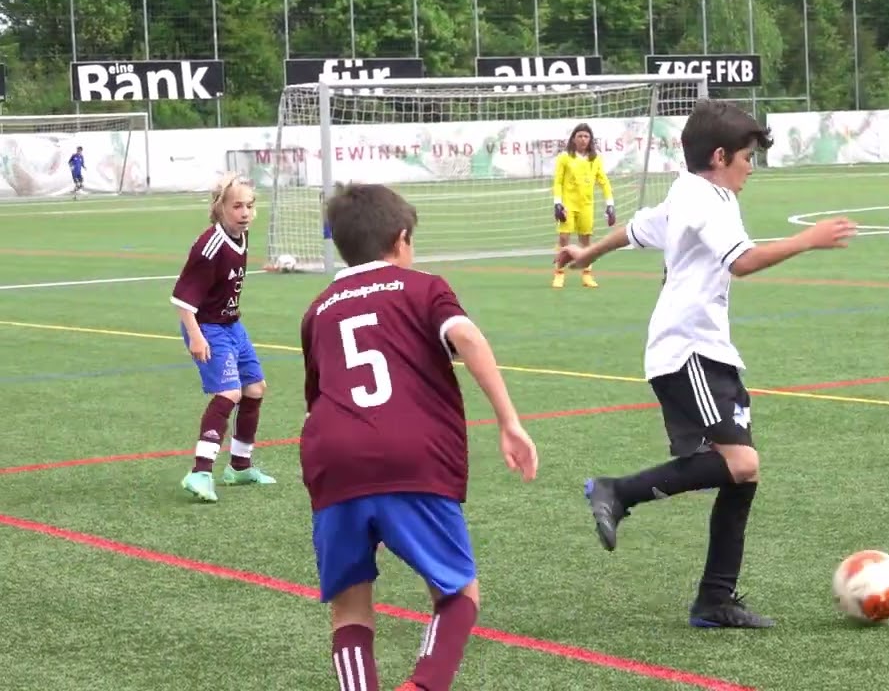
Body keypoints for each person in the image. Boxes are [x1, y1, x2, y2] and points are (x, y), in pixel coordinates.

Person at [555, 99, 856, 628]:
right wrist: (807, 239)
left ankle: (715, 601)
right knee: (741, 464)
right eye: (746, 158)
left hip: (704, 350)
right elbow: (742, 262)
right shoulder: (708, 199)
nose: (749, 169)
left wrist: (588, 254)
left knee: (743, 476)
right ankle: (617, 492)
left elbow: (638, 229)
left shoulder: (688, 191)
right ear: (719, 156)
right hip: (688, 348)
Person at [299, 182, 538, 690]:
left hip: (332, 459)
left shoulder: (317, 310)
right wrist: (509, 420)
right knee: (458, 593)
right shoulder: (424, 287)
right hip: (410, 455)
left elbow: (316, 397)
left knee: (349, 610)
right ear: (402, 239)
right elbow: (467, 336)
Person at [171, 173, 275, 503]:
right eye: (237, 206)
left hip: (231, 325)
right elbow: (183, 299)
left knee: (255, 389)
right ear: (220, 208)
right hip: (206, 326)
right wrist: (196, 337)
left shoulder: (241, 236)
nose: (245, 212)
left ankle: (240, 467)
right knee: (229, 392)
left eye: (250, 205)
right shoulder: (210, 245)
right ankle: (200, 473)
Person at [551, 122, 615, 289]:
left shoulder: (595, 159)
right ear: (573, 138)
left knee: (585, 239)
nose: (583, 139)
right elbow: (557, 182)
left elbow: (604, 182)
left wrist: (610, 204)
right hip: (567, 205)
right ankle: (559, 273)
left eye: (586, 136)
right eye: (579, 136)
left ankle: (587, 274)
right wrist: (557, 203)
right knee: (564, 238)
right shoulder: (565, 157)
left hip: (586, 205)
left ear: (590, 139)